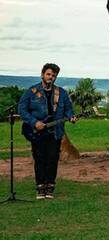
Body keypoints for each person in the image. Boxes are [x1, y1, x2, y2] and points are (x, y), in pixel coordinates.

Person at [18, 63, 76, 200]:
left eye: (54, 75)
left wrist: (71, 116)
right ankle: (40, 187)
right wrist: (34, 122)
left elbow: (68, 109)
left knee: (52, 159)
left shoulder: (61, 93)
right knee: (39, 159)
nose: (51, 77)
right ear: (42, 74)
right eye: (49, 74)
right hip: (37, 132)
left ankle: (50, 187)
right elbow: (22, 110)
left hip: (55, 131)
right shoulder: (31, 92)